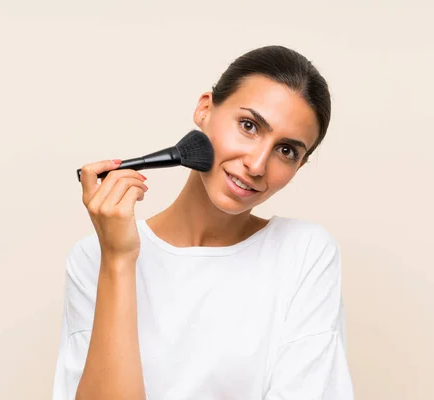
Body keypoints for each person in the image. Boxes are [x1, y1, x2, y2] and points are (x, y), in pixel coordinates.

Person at [52, 45, 355, 399]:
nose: (257, 165)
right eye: (249, 126)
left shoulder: (303, 254)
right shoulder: (93, 258)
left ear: (299, 167)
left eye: (286, 150)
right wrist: (118, 259)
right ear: (205, 109)